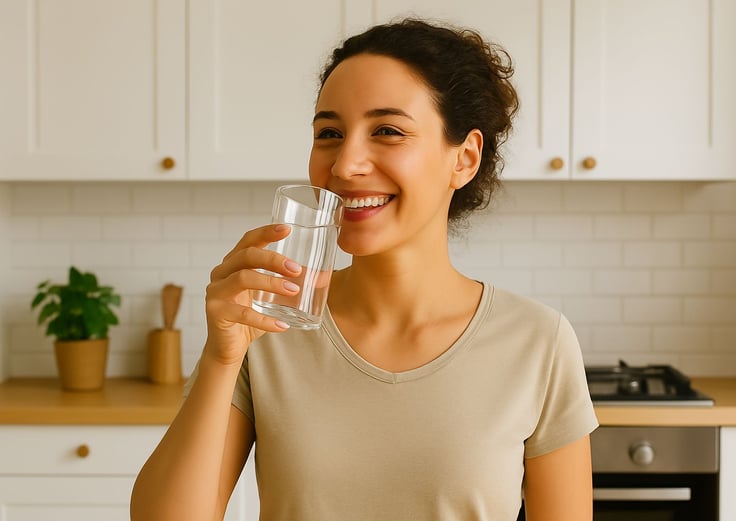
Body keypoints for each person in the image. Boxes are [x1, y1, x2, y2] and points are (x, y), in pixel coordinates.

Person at [131, 18, 598, 521]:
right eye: (329, 133)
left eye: (388, 131)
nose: (345, 164)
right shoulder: (267, 328)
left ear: (463, 159)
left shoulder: (538, 341)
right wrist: (222, 360)